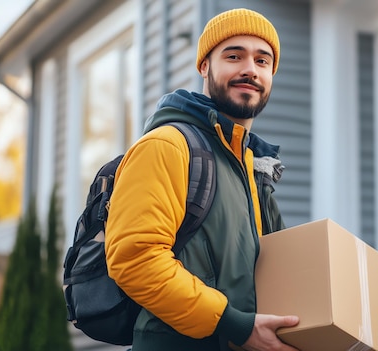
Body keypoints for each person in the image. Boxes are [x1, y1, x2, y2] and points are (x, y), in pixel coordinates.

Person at [105, 8, 299, 351]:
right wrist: (235, 325)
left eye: (262, 60)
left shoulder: (254, 171)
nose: (249, 70)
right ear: (205, 66)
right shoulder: (166, 146)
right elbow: (135, 258)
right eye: (234, 55)